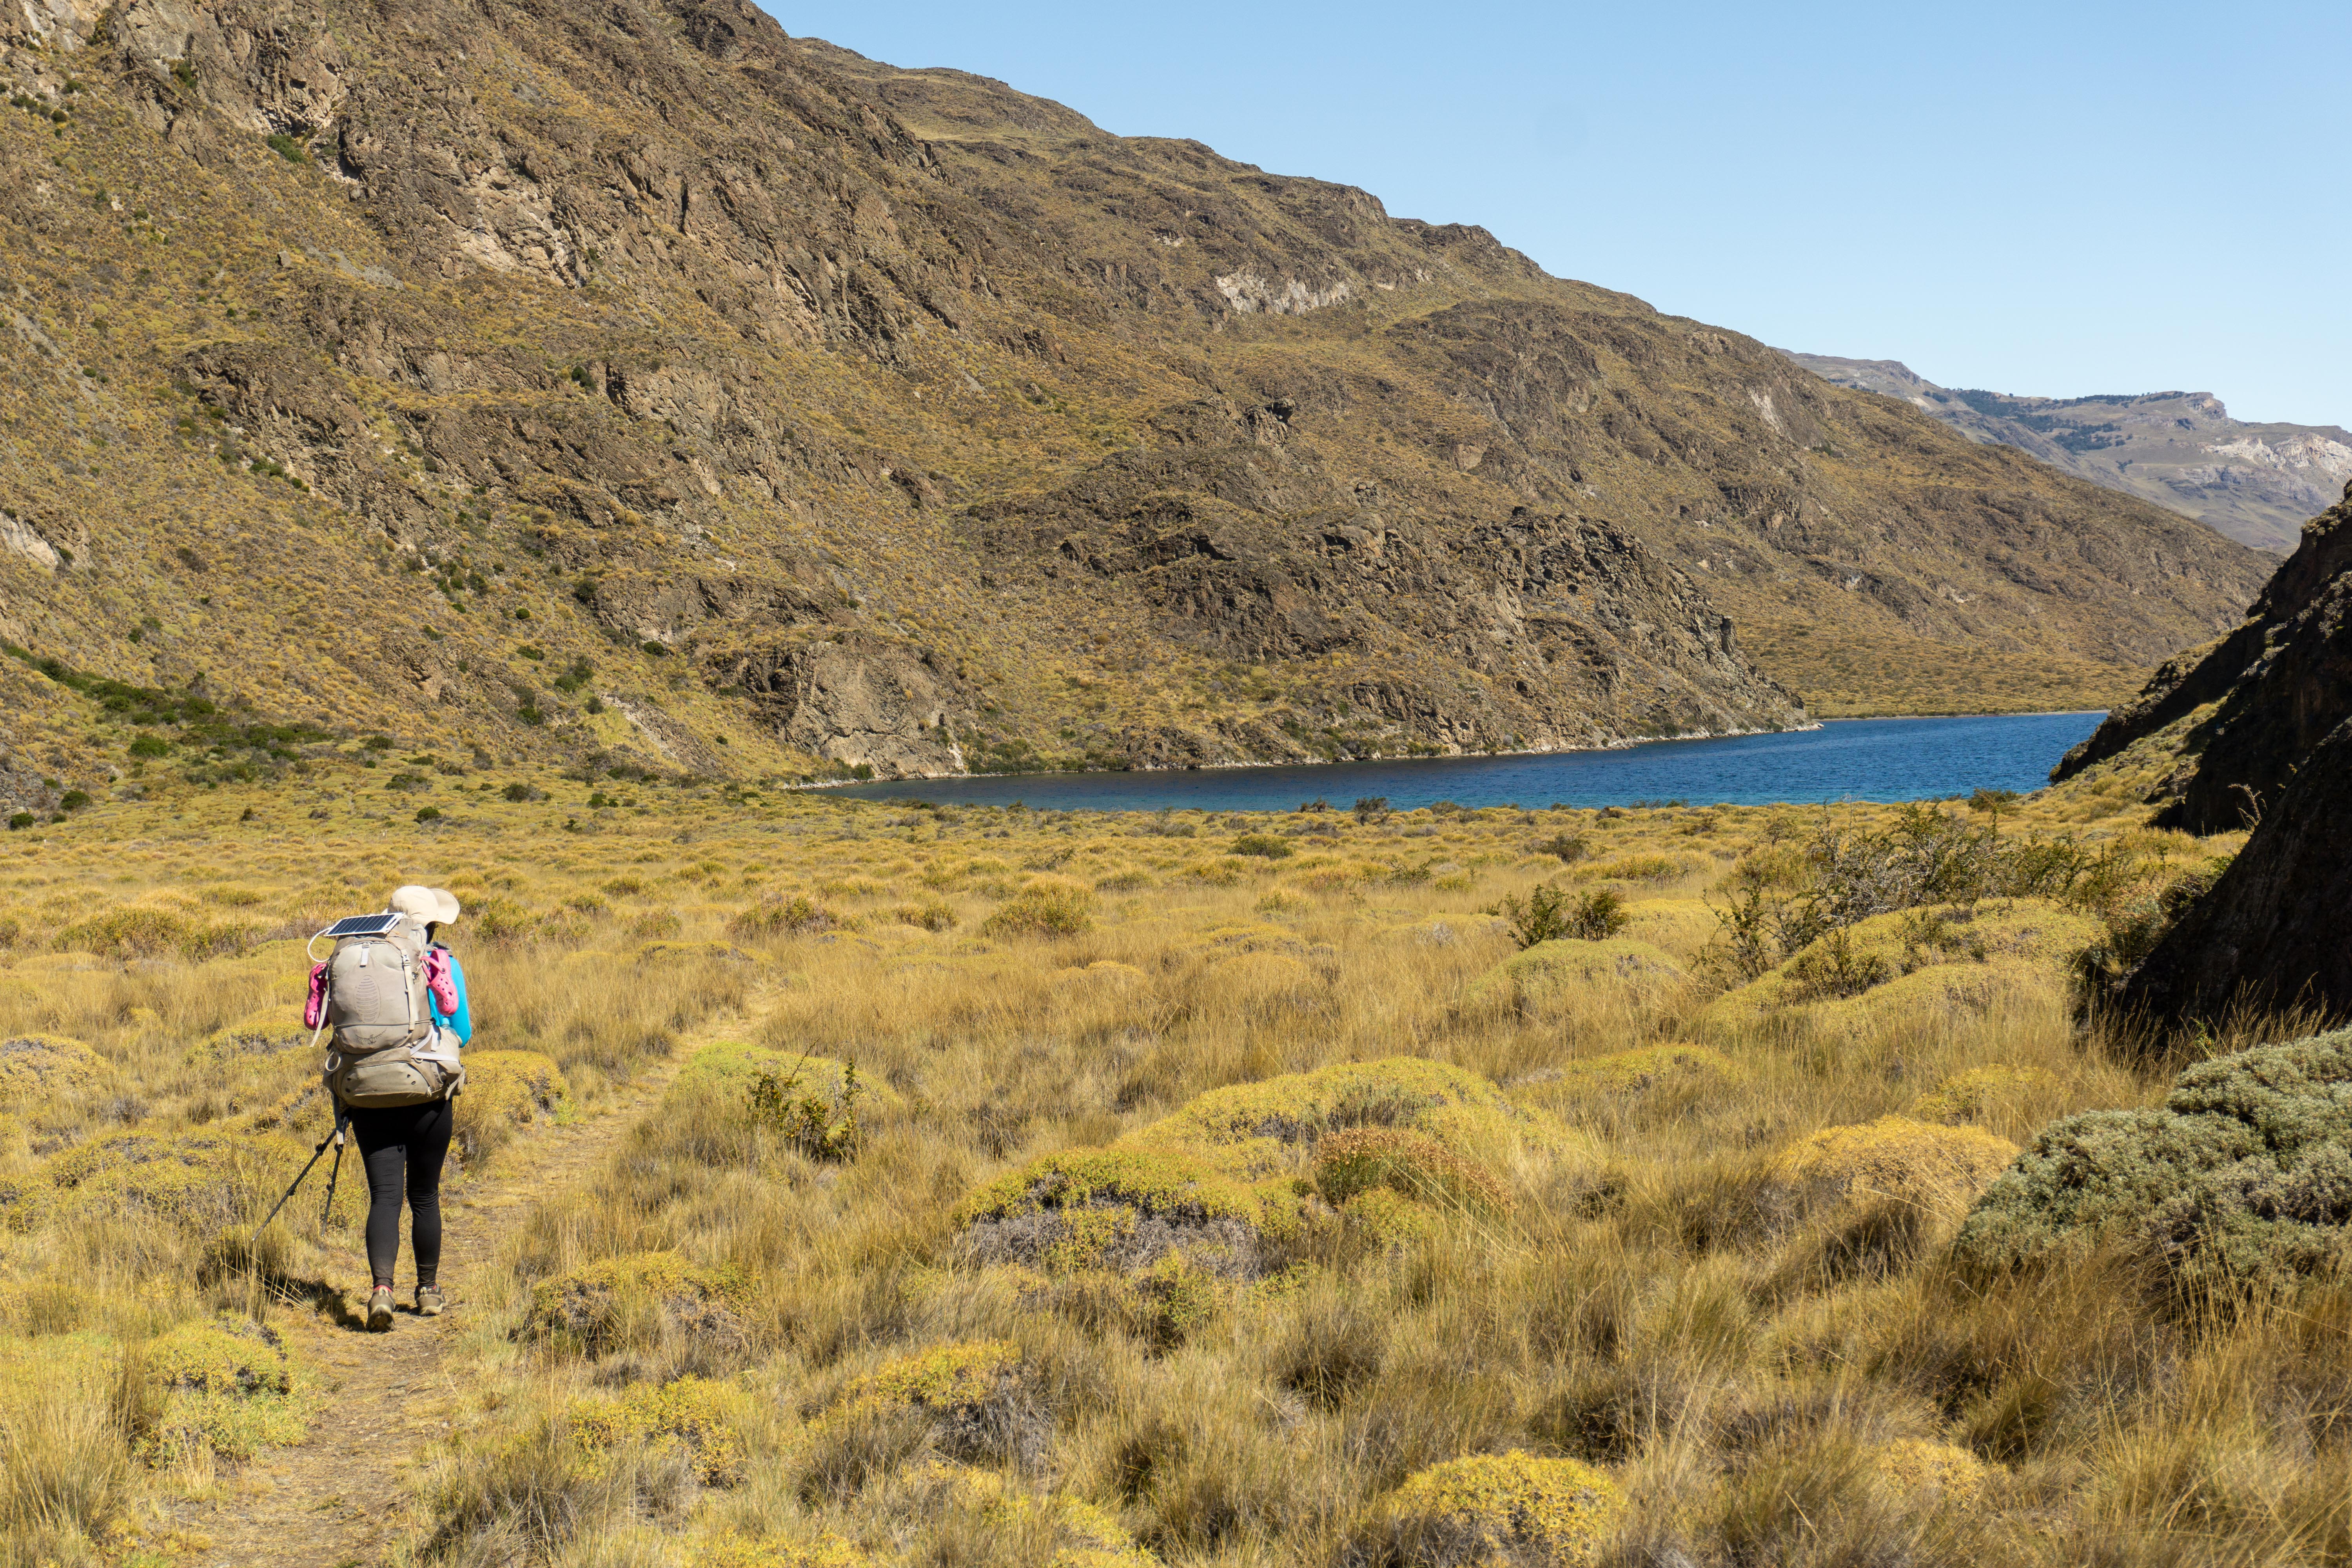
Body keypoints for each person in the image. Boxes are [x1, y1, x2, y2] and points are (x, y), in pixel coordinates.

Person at [347, 884, 470, 1330]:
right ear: (433, 923)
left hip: (366, 1093)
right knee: (423, 1194)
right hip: (426, 1092)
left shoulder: (360, 959)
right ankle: (428, 1290)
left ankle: (382, 1290)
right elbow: (465, 1030)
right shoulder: (443, 961)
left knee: (383, 1196)